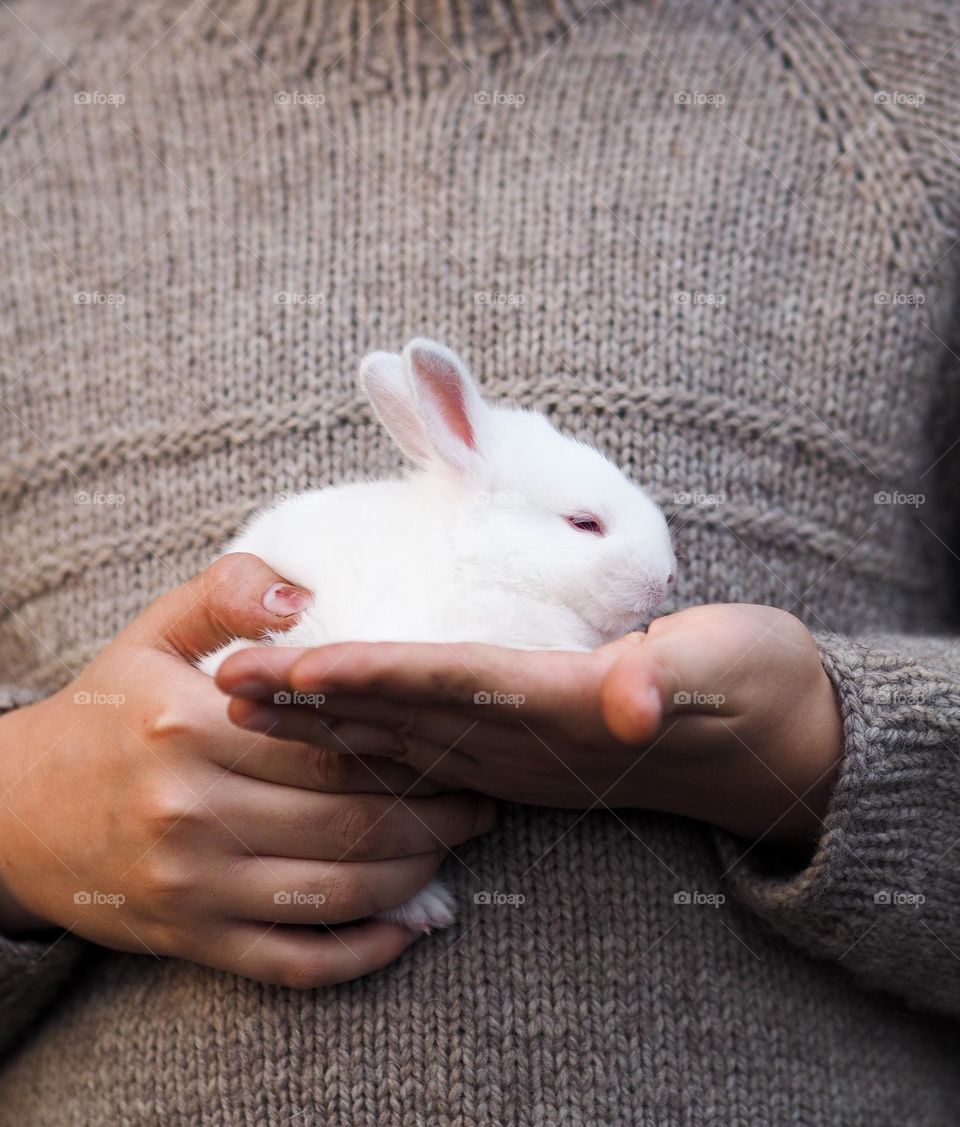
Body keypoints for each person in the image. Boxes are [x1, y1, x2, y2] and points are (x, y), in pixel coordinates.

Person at [1, 0, 958, 1123]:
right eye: (586, 530)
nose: (661, 568)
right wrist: (25, 824)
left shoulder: (909, 83)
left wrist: (819, 754)